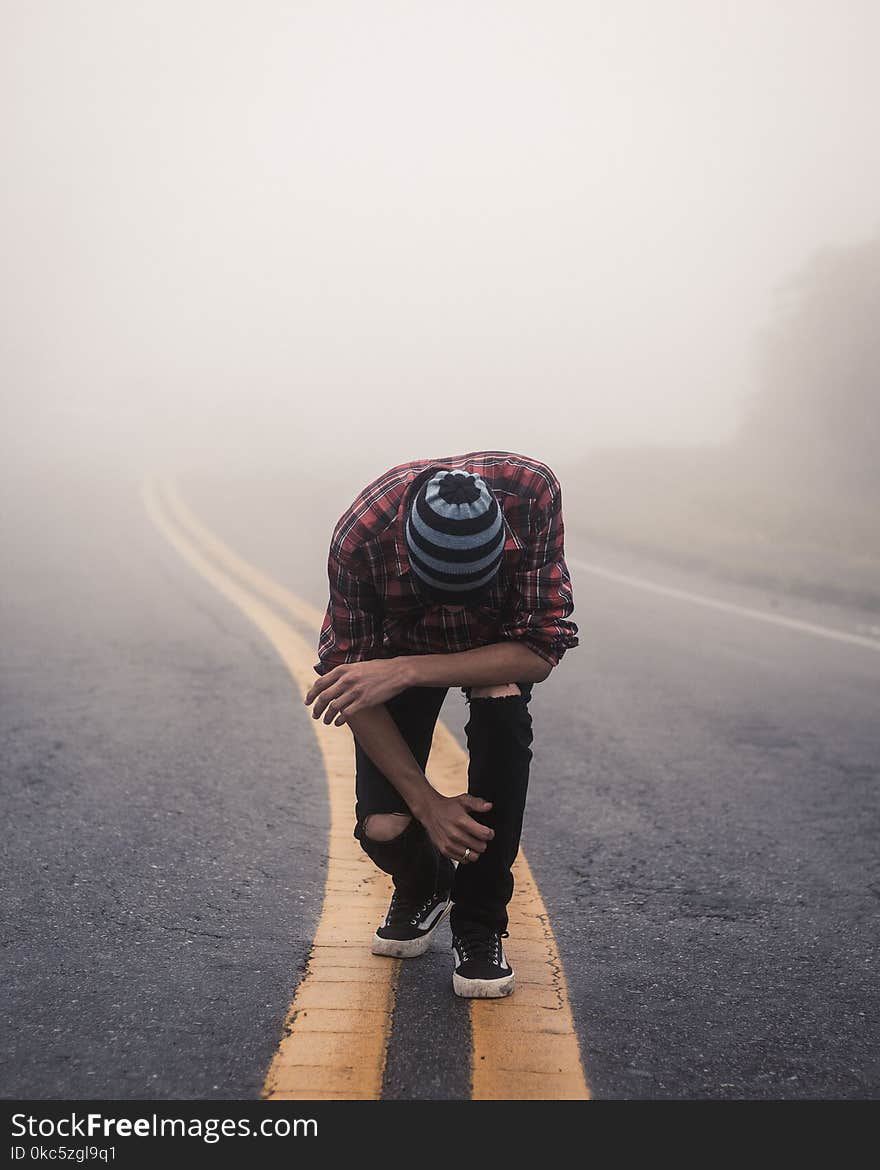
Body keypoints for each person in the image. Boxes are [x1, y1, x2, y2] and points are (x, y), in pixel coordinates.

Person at [304, 450, 578, 997]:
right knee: (384, 827)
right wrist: (427, 805)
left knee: (500, 699)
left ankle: (480, 926)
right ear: (405, 554)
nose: (455, 614)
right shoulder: (361, 539)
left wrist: (408, 669)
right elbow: (350, 683)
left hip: (484, 657)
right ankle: (427, 885)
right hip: (393, 662)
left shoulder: (531, 495)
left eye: (469, 596)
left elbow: (541, 651)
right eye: (441, 598)